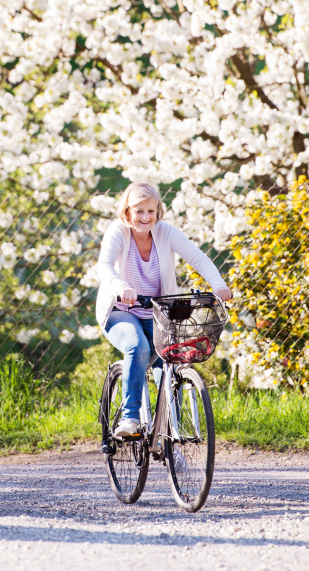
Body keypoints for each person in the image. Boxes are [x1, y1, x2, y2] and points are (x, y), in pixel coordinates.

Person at [94, 181, 232, 439]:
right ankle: (130, 418)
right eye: (138, 211)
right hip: (122, 311)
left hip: (158, 315)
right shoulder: (118, 232)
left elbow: (198, 258)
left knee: (171, 366)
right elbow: (104, 265)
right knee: (138, 346)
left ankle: (172, 438)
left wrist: (219, 286)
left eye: (150, 211)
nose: (145, 217)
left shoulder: (166, 232)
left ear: (158, 211)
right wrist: (121, 286)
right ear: (127, 211)